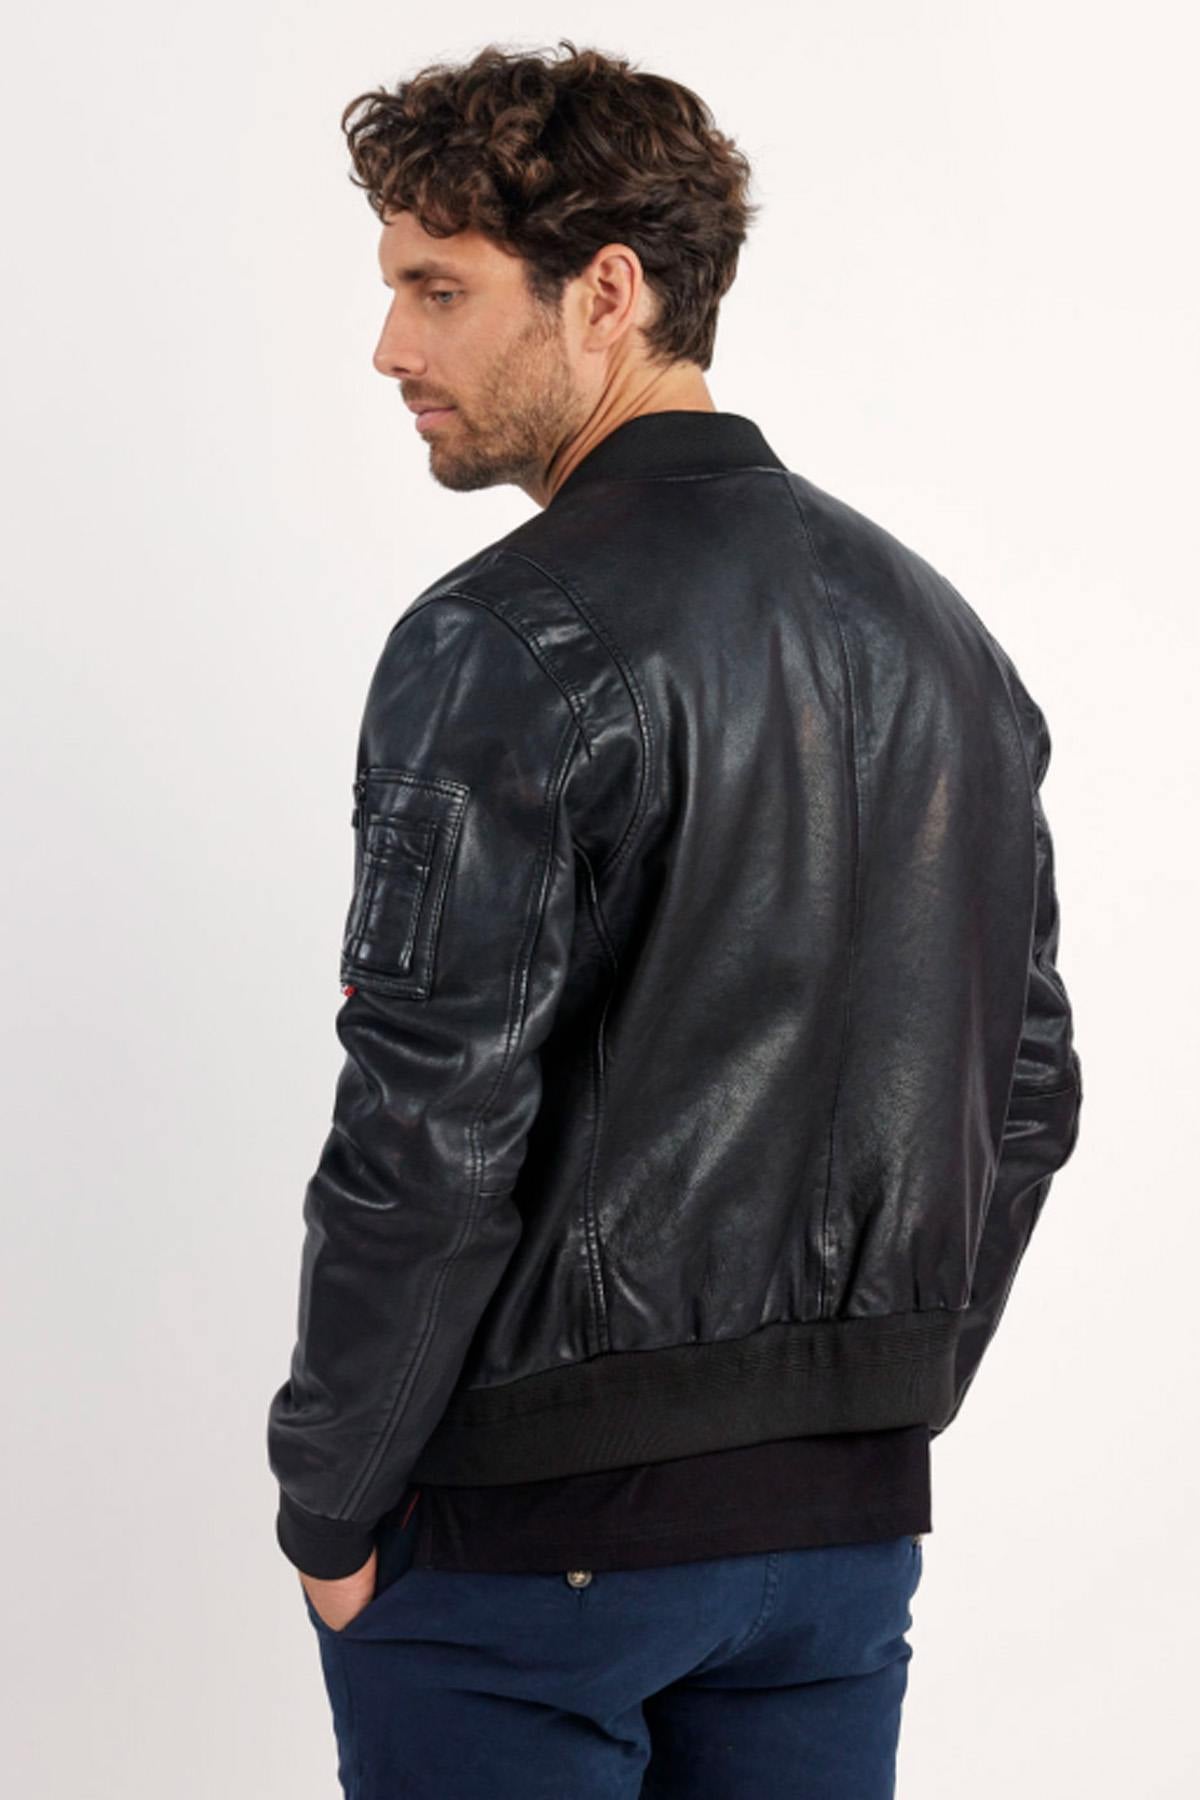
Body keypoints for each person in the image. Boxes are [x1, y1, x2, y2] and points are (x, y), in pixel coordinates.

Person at [265, 38, 1083, 1800]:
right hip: (838, 1545)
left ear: (606, 292)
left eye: (437, 288)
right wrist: (867, 1403)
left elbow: (427, 1123)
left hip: (524, 1549)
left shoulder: (500, 636)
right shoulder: (943, 636)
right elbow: (1029, 1090)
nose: (390, 345)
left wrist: (327, 1501)